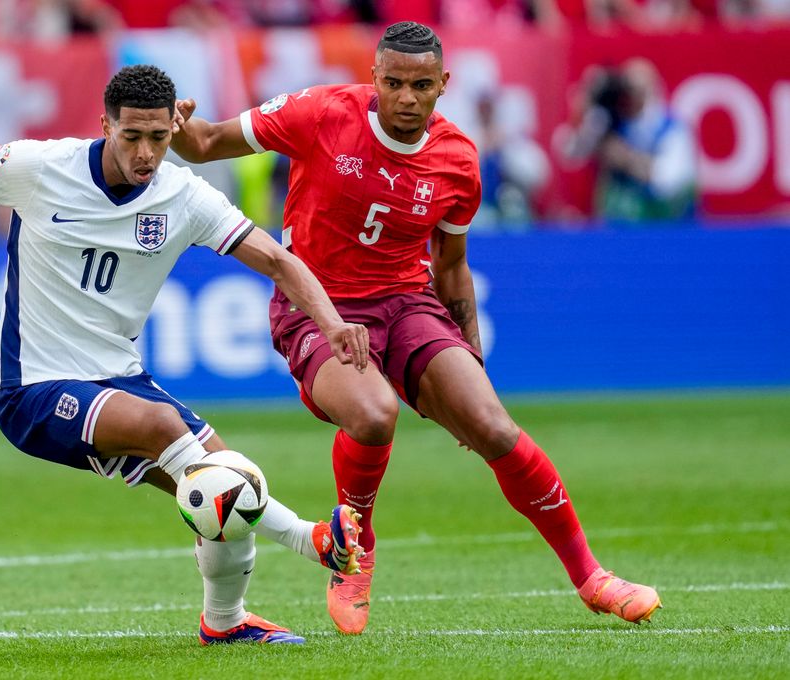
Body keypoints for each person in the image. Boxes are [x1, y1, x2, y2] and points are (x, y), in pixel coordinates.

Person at [170, 21, 662, 634]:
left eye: (421, 85)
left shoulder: (458, 159)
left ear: (443, 85)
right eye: (395, 83)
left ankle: (592, 577)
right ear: (374, 77)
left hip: (407, 302)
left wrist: (471, 360)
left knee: (494, 429)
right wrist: (175, 120)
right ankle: (356, 545)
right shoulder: (320, 111)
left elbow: (451, 268)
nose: (406, 97)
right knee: (375, 413)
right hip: (315, 305)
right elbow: (206, 142)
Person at [0, 64, 370, 646]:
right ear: (105, 125)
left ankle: (225, 623)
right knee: (174, 437)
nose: (146, 153)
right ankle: (310, 539)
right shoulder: (42, 168)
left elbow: (276, 259)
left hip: (120, 379)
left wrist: (330, 323)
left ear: (176, 125)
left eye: (159, 137)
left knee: (231, 484)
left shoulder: (186, 195)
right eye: (132, 136)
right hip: (32, 387)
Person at [555, 59, 697, 223]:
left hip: (666, 228)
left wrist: (625, 158)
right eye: (627, 90)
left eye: (638, 90)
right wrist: (583, 110)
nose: (631, 97)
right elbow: (568, 152)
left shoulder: (671, 129)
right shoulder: (609, 123)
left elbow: (667, 182)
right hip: (618, 228)